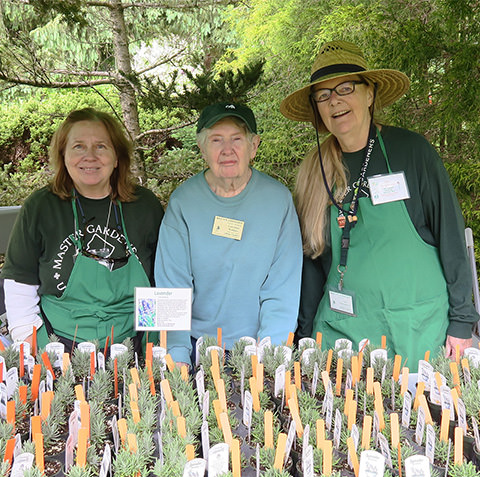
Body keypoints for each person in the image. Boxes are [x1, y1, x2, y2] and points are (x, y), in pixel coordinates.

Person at [280, 40, 479, 369]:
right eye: (324, 95)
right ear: (317, 108)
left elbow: (452, 239)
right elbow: (312, 265)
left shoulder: (412, 151)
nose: (335, 101)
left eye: (346, 88)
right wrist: (304, 337)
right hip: (342, 332)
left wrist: (461, 321)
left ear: (369, 94)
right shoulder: (313, 171)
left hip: (416, 329)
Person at [1, 108, 164, 353]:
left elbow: (161, 280)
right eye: (78, 146)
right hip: (57, 345)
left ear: (117, 157)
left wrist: (151, 343)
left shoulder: (145, 206)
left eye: (101, 146)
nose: (90, 156)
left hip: (133, 344)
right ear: (63, 155)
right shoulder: (41, 207)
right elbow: (19, 283)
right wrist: (34, 343)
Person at [154, 102, 303, 366]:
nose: (227, 150)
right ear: (202, 148)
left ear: (254, 146)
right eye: (216, 140)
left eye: (237, 139)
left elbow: (282, 287)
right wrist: (176, 356)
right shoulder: (183, 202)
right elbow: (171, 286)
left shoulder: (277, 200)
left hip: (257, 347)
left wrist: (270, 357)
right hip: (194, 345)